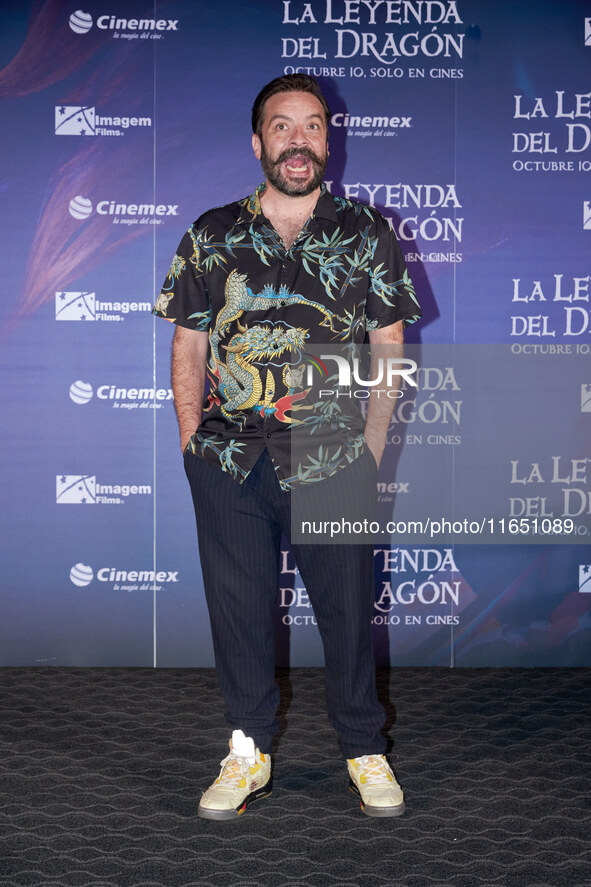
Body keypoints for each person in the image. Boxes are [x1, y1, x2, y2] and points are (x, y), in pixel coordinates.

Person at [153, 74, 421, 820]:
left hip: (333, 459)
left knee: (344, 612)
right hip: (231, 461)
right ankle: (246, 752)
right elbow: (188, 343)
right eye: (281, 125)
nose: (296, 139)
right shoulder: (212, 232)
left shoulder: (366, 232)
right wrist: (189, 444)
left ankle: (364, 748)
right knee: (238, 615)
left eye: (310, 126)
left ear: (327, 141)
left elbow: (389, 343)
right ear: (258, 141)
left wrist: (368, 448)